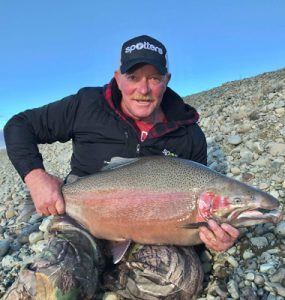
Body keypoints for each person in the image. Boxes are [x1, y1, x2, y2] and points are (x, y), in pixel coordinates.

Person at [4, 35, 239, 299]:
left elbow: (195, 214)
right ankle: (87, 272)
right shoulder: (86, 104)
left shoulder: (189, 135)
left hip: (150, 237)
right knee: (45, 287)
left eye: (154, 78)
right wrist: (35, 177)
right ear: (118, 78)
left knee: (181, 282)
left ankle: (103, 280)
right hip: (82, 220)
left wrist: (212, 239)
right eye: (133, 77)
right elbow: (19, 125)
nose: (143, 89)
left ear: (167, 81)